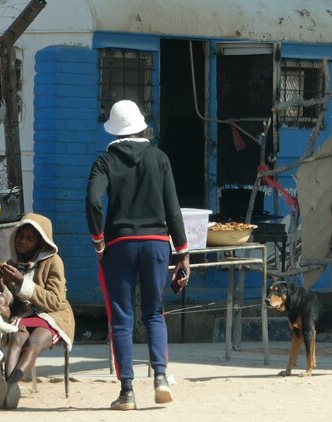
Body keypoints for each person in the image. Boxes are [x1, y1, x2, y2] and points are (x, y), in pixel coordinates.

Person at [85, 99, 190, 410]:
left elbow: (93, 201)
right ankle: (160, 377)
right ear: (143, 126)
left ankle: (127, 391)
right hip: (157, 244)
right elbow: (173, 208)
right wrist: (182, 251)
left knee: (122, 318)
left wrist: (98, 241)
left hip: (119, 246)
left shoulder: (104, 161)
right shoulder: (160, 158)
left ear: (114, 133)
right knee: (154, 312)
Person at [0, 213, 75, 410]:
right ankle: (6, 389)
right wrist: (1, 284)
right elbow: (12, 305)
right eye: (21, 236)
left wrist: (22, 281)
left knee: (33, 343)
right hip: (24, 316)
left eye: (30, 239)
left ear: (41, 242)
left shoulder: (54, 262)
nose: (23, 242)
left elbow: (55, 302)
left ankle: (10, 386)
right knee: (16, 338)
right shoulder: (12, 263)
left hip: (53, 316)